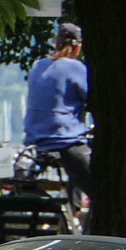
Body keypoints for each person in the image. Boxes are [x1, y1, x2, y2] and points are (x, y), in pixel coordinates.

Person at [23, 22, 91, 188]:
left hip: (35, 141)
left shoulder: (37, 65)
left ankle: (73, 210)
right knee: (101, 187)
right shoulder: (76, 67)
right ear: (77, 47)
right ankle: (79, 211)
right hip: (66, 138)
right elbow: (92, 97)